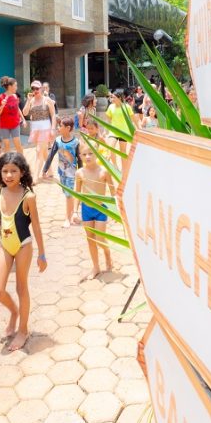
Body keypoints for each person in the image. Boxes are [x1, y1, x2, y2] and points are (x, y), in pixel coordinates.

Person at [0, 152, 46, 351]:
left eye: (13, 171)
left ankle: (23, 330)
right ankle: (14, 312)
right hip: (5, 246)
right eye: (5, 171)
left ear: (22, 172)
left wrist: (42, 254)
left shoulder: (28, 196)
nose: (8, 175)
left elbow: (36, 226)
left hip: (23, 245)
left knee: (21, 288)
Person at [76, 149, 114, 279]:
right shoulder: (79, 173)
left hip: (101, 209)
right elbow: (77, 193)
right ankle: (96, 267)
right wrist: (74, 212)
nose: (87, 156)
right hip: (86, 209)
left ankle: (107, 252)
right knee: (90, 239)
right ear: (80, 156)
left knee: (99, 238)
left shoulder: (104, 171)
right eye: (84, 154)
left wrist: (115, 211)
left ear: (96, 154)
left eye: (90, 153)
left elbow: (113, 192)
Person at [44, 117, 83, 227]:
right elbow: (51, 155)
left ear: (68, 128)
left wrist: (81, 172)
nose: (58, 127)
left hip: (72, 173)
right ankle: (74, 214)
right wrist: (45, 169)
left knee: (68, 195)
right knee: (67, 194)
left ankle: (68, 218)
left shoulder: (75, 142)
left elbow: (79, 159)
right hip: (61, 172)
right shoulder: (57, 141)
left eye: (60, 126)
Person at [23, 81, 57, 180]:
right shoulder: (31, 100)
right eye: (33, 88)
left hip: (45, 129)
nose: (35, 90)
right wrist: (28, 100)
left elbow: (53, 115)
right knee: (44, 151)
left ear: (41, 89)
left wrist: (53, 129)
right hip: (35, 130)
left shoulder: (47, 100)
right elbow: (25, 113)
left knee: (38, 151)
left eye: (37, 88)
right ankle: (50, 171)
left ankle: (35, 177)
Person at [0, 76, 24, 155]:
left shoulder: (15, 96)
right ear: (10, 86)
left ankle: (22, 160)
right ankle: (7, 161)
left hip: (15, 124)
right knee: (6, 146)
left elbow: (17, 108)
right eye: (15, 85)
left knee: (18, 145)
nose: (17, 88)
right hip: (4, 125)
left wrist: (23, 119)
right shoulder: (0, 98)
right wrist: (2, 106)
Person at [105, 88, 135, 164]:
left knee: (123, 152)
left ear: (120, 98)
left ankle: (124, 169)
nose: (112, 99)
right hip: (113, 132)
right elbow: (108, 120)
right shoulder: (111, 107)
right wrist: (106, 131)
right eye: (111, 97)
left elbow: (132, 119)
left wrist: (136, 130)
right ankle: (115, 166)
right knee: (111, 149)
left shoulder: (127, 107)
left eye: (114, 97)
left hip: (124, 132)